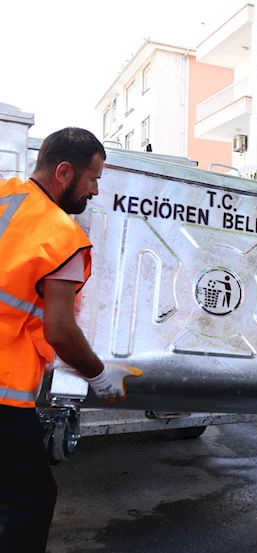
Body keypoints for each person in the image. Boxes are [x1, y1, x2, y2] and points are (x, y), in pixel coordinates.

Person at [0, 128, 142, 552]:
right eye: (93, 178)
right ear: (64, 172)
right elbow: (59, 330)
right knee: (32, 499)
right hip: (4, 396)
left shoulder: (6, 196)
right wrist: (99, 375)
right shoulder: (62, 237)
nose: (96, 191)